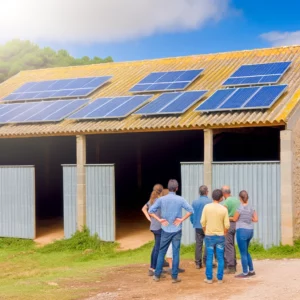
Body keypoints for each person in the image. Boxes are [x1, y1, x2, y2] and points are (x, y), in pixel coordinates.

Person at [149, 179, 193, 283]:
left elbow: (151, 211)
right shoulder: (180, 199)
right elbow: (191, 210)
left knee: (161, 252)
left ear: (168, 188)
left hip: (165, 229)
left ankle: (157, 275)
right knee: (175, 253)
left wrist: (159, 219)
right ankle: (174, 276)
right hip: (177, 229)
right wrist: (182, 219)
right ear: (177, 188)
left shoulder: (161, 199)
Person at [141, 185, 184, 276]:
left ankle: (155, 266)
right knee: (158, 248)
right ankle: (153, 268)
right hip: (159, 227)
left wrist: (150, 219)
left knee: (156, 247)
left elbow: (144, 209)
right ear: (161, 192)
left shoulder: (152, 199)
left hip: (154, 226)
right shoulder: (160, 201)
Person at [201, 189, 230, 284]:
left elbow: (202, 222)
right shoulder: (224, 209)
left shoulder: (206, 207)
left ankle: (209, 278)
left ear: (212, 197)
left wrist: (205, 231)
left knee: (209, 257)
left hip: (209, 235)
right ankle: (220, 278)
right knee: (220, 257)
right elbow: (227, 225)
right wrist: (225, 233)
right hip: (220, 236)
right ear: (221, 198)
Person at [232, 190, 258, 278]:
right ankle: (251, 270)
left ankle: (245, 272)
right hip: (250, 231)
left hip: (241, 231)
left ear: (240, 198)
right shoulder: (252, 207)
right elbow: (255, 219)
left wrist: (228, 217)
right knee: (246, 251)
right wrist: (248, 219)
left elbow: (235, 219)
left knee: (243, 253)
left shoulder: (240, 208)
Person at [190, 185, 211, 269]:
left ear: (199, 192)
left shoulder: (195, 202)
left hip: (198, 226)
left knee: (198, 244)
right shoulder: (210, 202)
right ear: (206, 192)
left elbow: (192, 214)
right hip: (208, 226)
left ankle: (198, 263)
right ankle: (206, 261)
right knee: (208, 243)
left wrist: (193, 222)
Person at [222, 185, 240, 274]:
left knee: (228, 245)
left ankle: (230, 266)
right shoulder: (236, 200)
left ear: (224, 193)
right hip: (237, 224)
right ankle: (234, 263)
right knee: (232, 244)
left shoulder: (226, 202)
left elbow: (224, 215)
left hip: (229, 224)